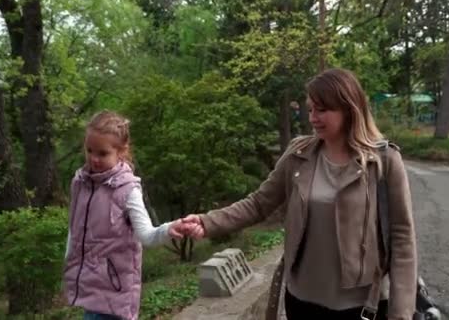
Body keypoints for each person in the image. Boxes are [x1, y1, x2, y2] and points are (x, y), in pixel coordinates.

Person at [181, 68, 417, 320]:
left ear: (349, 109)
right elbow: (259, 204)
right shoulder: (298, 154)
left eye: (322, 110)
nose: (313, 117)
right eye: (310, 109)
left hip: (364, 307)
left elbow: (402, 237)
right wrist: (207, 222)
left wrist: (401, 313)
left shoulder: (384, 161)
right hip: (302, 301)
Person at [63, 110, 189, 320]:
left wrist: (169, 229)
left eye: (102, 153)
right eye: (89, 150)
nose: (94, 159)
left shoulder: (128, 190)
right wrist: (70, 263)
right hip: (88, 288)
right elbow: (73, 230)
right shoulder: (80, 184)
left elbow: (147, 236)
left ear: (121, 151)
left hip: (117, 292)